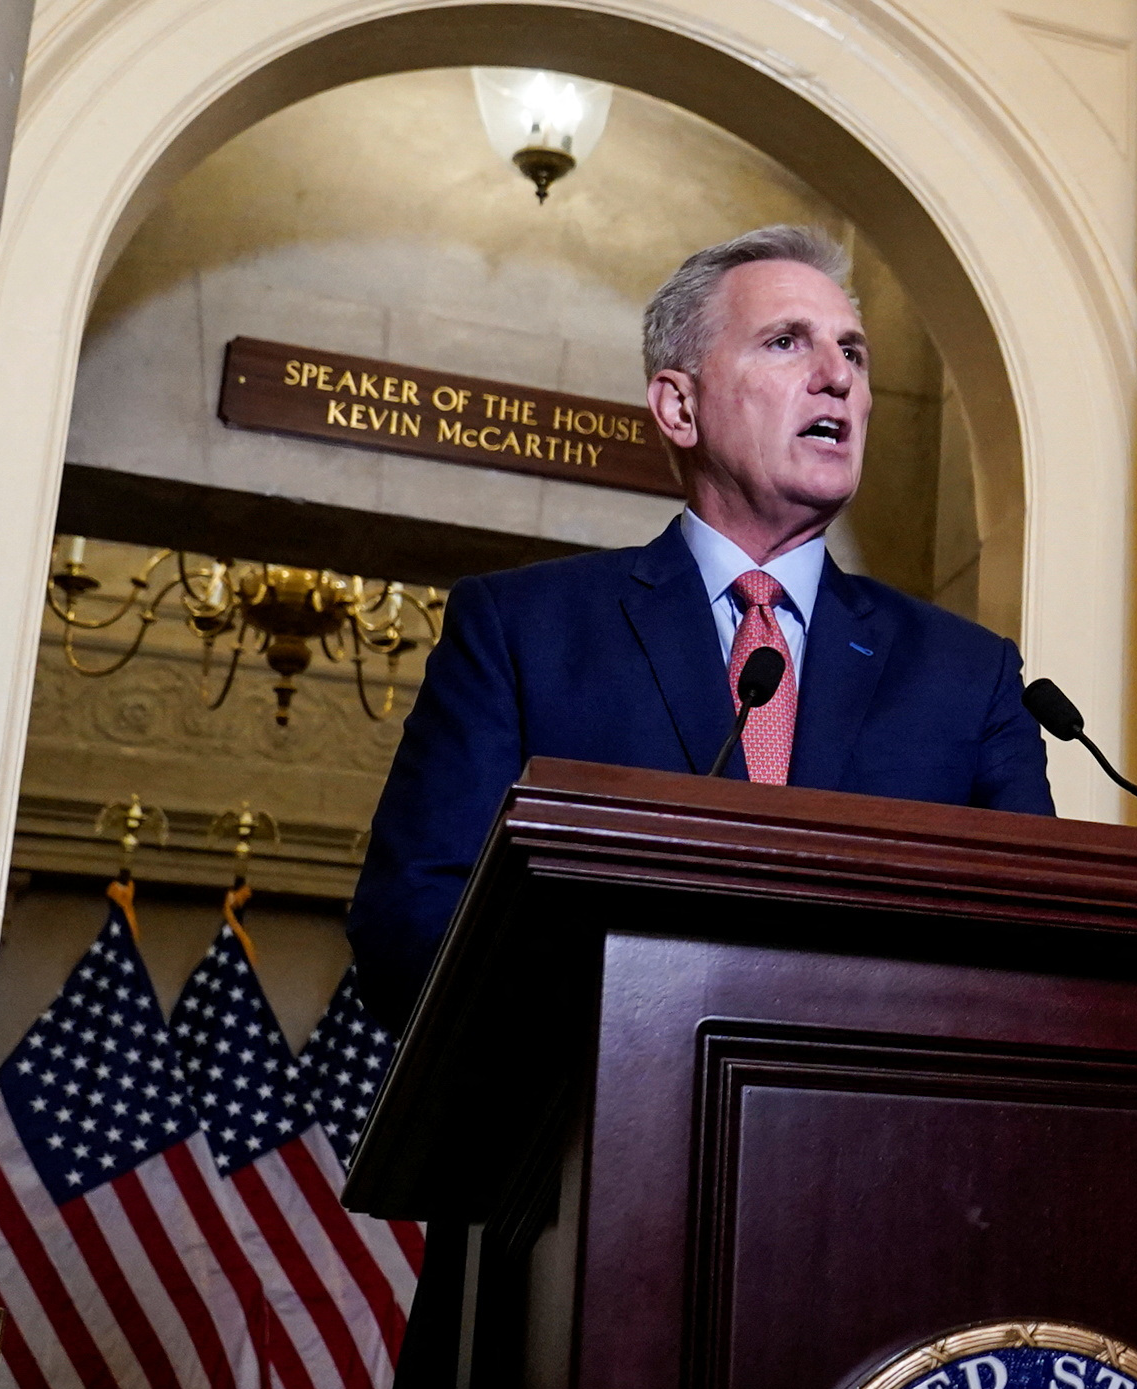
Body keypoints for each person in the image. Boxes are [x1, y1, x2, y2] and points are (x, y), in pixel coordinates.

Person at [346, 224, 1055, 1032]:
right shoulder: (520, 632)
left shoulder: (969, 677)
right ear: (679, 407)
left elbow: (1040, 955)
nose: (836, 379)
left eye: (853, 354)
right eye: (788, 342)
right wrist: (642, 1023)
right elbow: (409, 930)